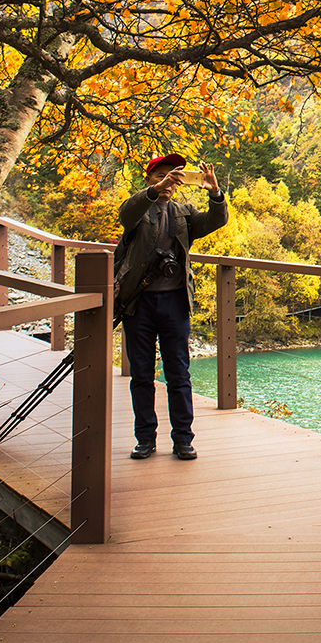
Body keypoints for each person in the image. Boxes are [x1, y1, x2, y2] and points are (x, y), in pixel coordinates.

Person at [116, 152, 226, 460]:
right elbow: (125, 216)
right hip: (138, 302)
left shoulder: (184, 213)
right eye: (159, 176)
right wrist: (151, 194)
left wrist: (215, 193)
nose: (167, 182)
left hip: (175, 302)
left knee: (179, 374)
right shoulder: (137, 209)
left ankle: (183, 439)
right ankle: (145, 439)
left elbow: (216, 220)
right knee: (142, 375)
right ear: (149, 181)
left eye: (172, 177)